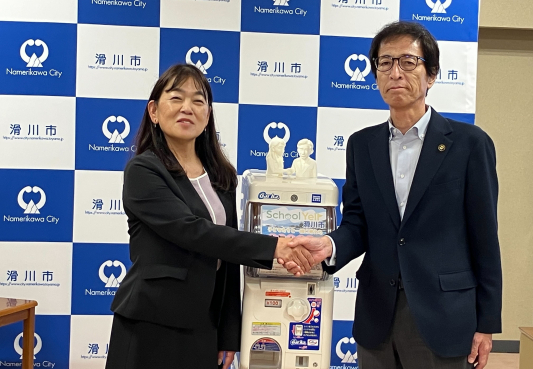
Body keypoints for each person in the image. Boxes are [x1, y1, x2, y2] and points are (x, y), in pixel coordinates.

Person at [283, 21, 502, 369]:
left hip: (443, 316)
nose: (395, 73)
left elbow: (485, 237)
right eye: (385, 63)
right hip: (377, 315)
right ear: (375, 74)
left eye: (408, 62)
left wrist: (487, 323)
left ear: (431, 75)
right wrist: (329, 245)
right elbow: (358, 223)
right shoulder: (361, 145)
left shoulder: (469, 144)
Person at [105, 64, 314, 369]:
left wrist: (229, 333)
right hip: (151, 320)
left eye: (198, 100)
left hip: (204, 323)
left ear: (207, 115)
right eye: (176, 98)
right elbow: (191, 231)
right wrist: (275, 247)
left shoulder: (220, 175)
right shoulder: (143, 170)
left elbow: (226, 259)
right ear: (154, 111)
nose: (187, 108)